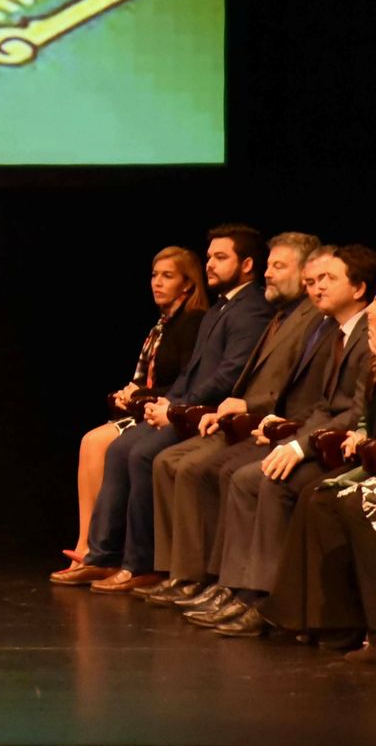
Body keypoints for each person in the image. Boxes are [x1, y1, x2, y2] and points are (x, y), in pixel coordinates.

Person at [55, 224, 274, 592]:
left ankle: (140, 563)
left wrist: (175, 406)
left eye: (221, 257)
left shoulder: (250, 309)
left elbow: (228, 373)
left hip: (208, 414)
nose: (210, 264)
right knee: (124, 447)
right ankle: (102, 555)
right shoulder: (223, 307)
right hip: (185, 407)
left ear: (248, 264)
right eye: (209, 257)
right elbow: (193, 371)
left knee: (141, 453)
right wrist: (164, 402)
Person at [194, 244, 374, 636]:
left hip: (345, 445)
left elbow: (353, 413)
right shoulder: (339, 332)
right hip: (324, 434)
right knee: (247, 475)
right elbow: (326, 406)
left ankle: (266, 602)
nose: (317, 287)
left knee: (270, 480)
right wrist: (294, 435)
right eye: (313, 280)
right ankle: (240, 590)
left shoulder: (365, 331)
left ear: (358, 288)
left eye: (328, 278)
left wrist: (299, 444)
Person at [138, 232, 325, 606]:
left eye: (278, 266)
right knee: (170, 460)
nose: (268, 274)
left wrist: (244, 408)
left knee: (210, 470)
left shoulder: (307, 318)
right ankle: (187, 574)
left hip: (281, 428)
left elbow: (292, 390)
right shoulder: (279, 314)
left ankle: (232, 587)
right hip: (254, 421)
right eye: (269, 265)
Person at [57, 247, 207, 571]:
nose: (157, 282)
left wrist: (142, 395)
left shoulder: (192, 322)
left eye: (168, 276)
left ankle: (95, 550)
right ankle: (87, 545)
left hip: (167, 412)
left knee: (96, 443)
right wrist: (130, 392)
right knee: (91, 441)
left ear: (188, 283)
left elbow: (186, 381)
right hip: (144, 408)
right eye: (154, 275)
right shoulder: (161, 325)